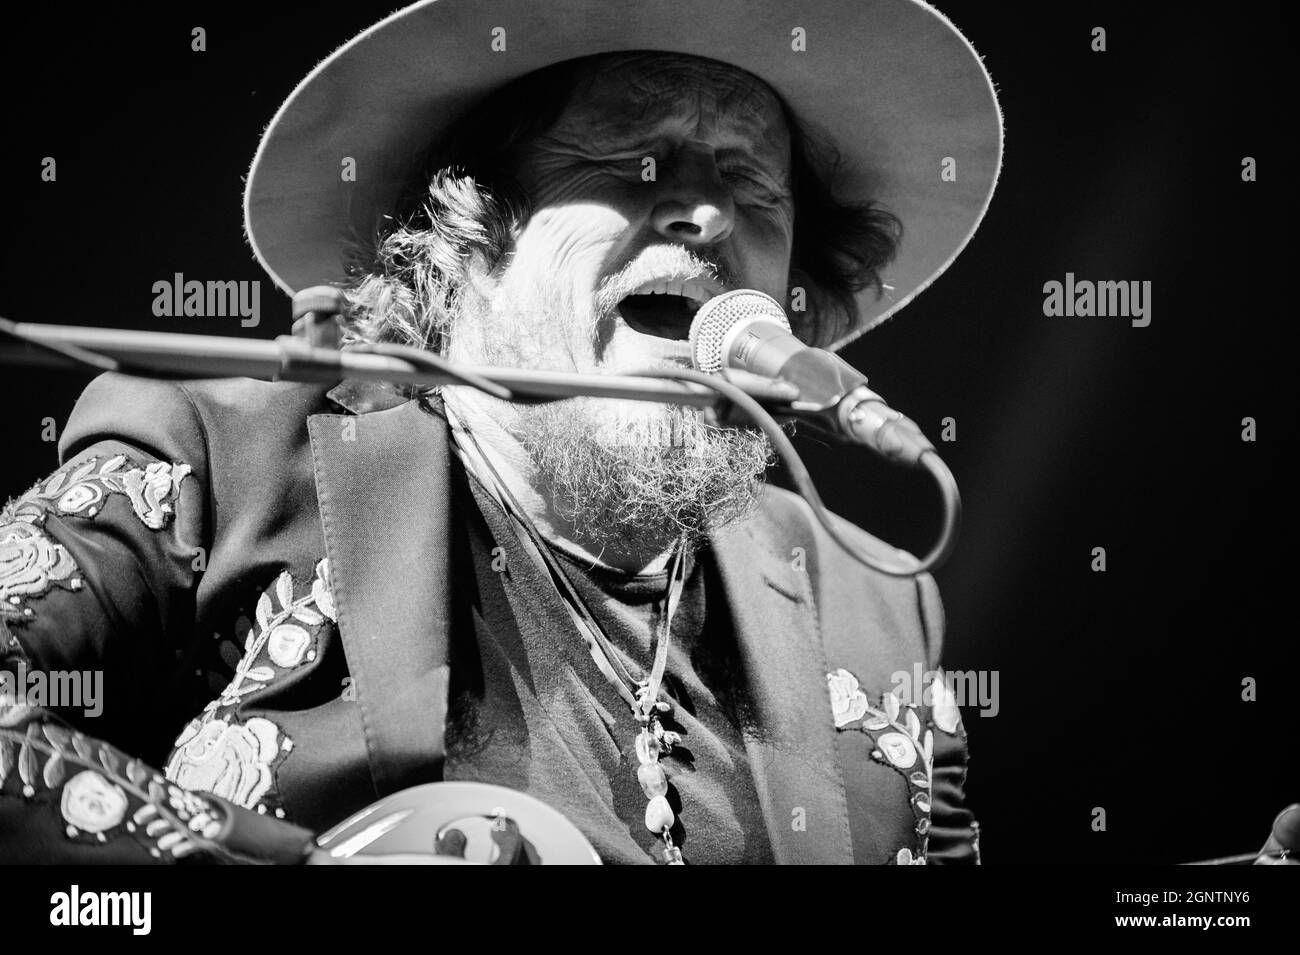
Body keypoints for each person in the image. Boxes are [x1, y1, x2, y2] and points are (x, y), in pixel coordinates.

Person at [0, 0, 1003, 864]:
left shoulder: (880, 605)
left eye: (751, 184)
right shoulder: (224, 460)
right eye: (627, 159)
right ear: (470, 232)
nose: (701, 209)